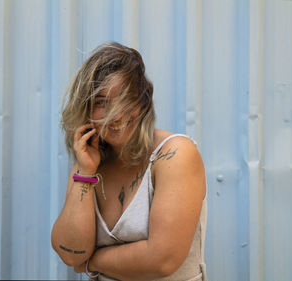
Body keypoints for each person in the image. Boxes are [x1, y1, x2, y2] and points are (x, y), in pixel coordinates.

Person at [51, 42, 207, 281]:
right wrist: (84, 170)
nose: (116, 114)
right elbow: (71, 254)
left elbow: (162, 259)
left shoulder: (175, 154)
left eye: (125, 98)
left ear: (143, 102)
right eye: (101, 101)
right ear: (86, 108)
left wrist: (93, 261)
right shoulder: (91, 162)